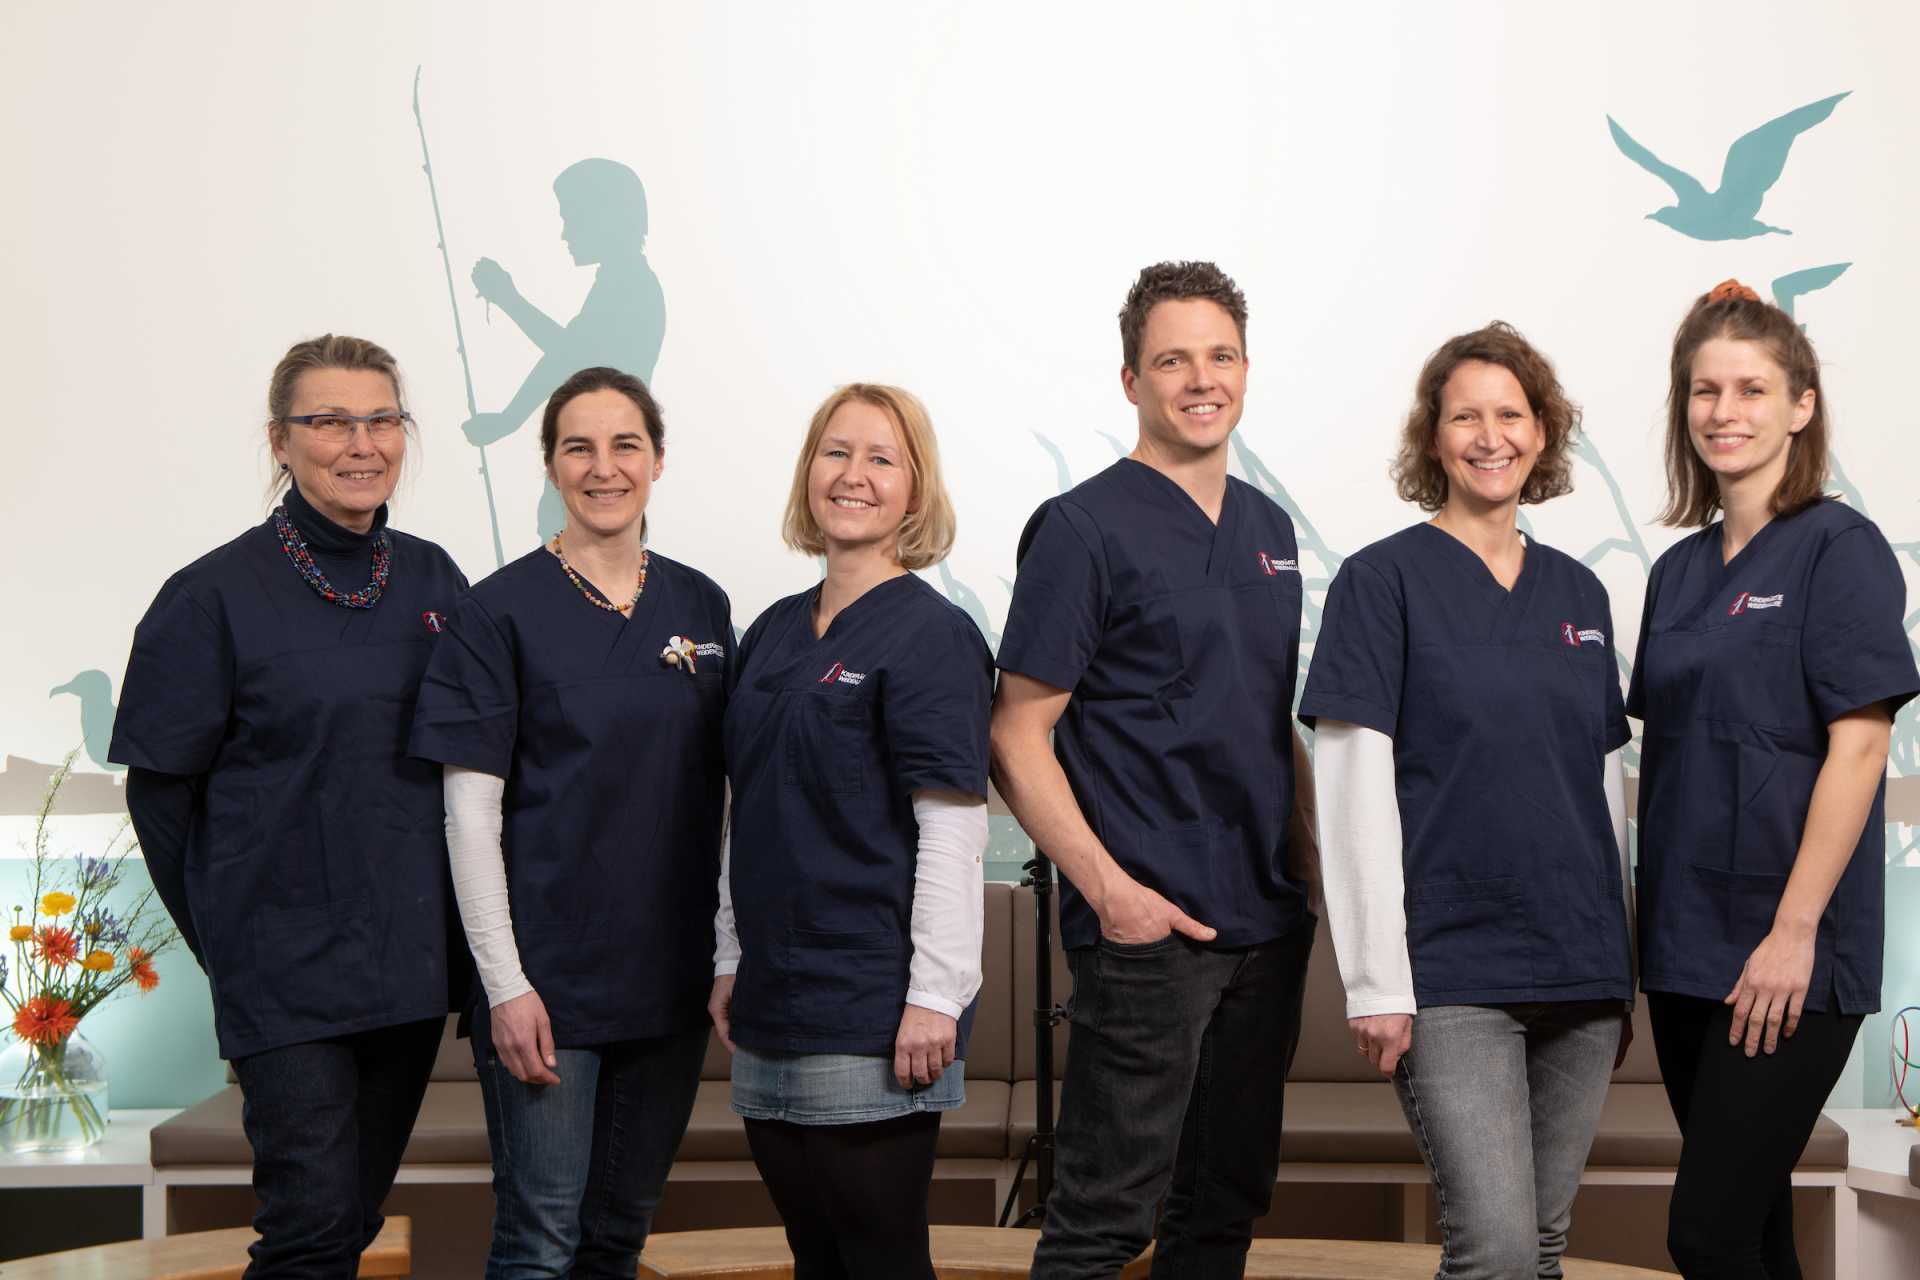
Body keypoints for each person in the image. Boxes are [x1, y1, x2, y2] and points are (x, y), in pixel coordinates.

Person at [110, 335, 468, 1278]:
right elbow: (160, 799)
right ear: (280, 440)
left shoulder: (435, 579)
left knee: (347, 1223)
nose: (362, 443)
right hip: (284, 974)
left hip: (407, 967)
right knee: (309, 1230)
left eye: (382, 419)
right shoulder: (209, 597)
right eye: (330, 421)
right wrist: (231, 941)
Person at [991, 261, 1319, 1278]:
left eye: (1221, 356)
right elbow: (1015, 734)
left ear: (1247, 370)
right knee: (1103, 1220)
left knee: (1222, 1208)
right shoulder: (1082, 529)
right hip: (1149, 933)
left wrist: (1313, 882)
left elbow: (1265, 720)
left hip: (1266, 927)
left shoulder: (1268, 529)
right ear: (1132, 380)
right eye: (1173, 360)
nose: (1201, 379)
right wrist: (1111, 893)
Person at [1299, 323, 1635, 1279]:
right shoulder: (1380, 583)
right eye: (1465, 417)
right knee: (1495, 1250)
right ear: (1432, 436)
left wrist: (1619, 969)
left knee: (1542, 1249)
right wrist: (1376, 984)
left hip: (1581, 970)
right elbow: (1351, 790)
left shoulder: (1580, 593)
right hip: (1451, 972)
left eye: (1512, 415)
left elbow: (1602, 790)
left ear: (1543, 432)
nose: (1492, 438)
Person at [409, 367, 728, 1277]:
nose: (603, 468)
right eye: (578, 448)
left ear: (658, 459)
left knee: (619, 1236)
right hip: (548, 984)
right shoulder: (495, 612)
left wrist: (728, 952)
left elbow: (727, 799)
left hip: (669, 980)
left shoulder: (701, 606)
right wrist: (504, 986)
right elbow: (469, 816)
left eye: (626, 444)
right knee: (540, 1240)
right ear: (551, 465)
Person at [1629, 280, 1918, 1278]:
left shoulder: (1840, 550)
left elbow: (1862, 747)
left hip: (1787, 949)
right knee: (1750, 1231)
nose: (1725, 411)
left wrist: (1792, 934)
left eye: (1752, 389)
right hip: (1682, 946)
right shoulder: (1676, 574)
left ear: (1801, 405)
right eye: (1705, 390)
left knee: (1705, 1233)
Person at [707, 384, 990, 1280]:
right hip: (771, 996)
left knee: (880, 1258)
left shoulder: (934, 636)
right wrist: (729, 955)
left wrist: (937, 994)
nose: (853, 475)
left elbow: (953, 829)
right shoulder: (771, 632)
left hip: (873, 1001)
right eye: (835, 452)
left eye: (881, 458)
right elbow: (745, 809)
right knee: (814, 1256)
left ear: (916, 489)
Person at [462, 158, 665, 541]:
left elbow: (572, 356)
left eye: (572, 217)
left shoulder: (630, 285)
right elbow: (572, 353)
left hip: (597, 469)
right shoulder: (621, 281)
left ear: (605, 216)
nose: (565, 233)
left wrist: (508, 298)